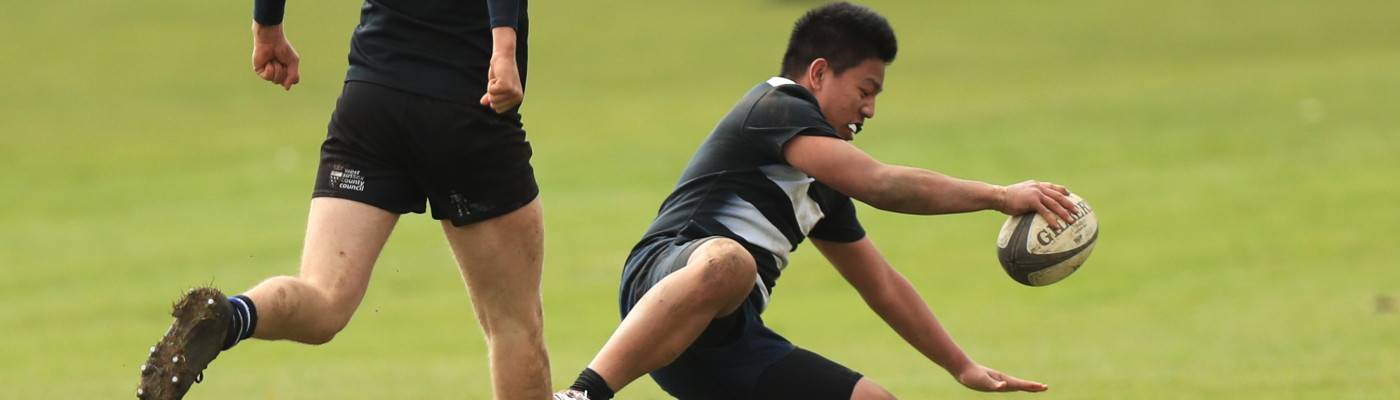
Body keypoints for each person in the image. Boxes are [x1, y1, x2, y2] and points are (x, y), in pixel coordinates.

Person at [552, 3, 1079, 400]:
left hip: (727, 343)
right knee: (730, 262)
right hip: (664, 282)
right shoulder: (774, 104)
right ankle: (582, 395)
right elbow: (881, 183)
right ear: (820, 73)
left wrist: (960, 367)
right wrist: (999, 196)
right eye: (865, 90)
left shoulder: (823, 184)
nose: (869, 110)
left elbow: (882, 285)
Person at [135, 0, 551, 399]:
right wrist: (503, 50)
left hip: (370, 102)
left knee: (324, 297)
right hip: (465, 107)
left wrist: (268, 27)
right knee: (513, 324)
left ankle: (230, 317)